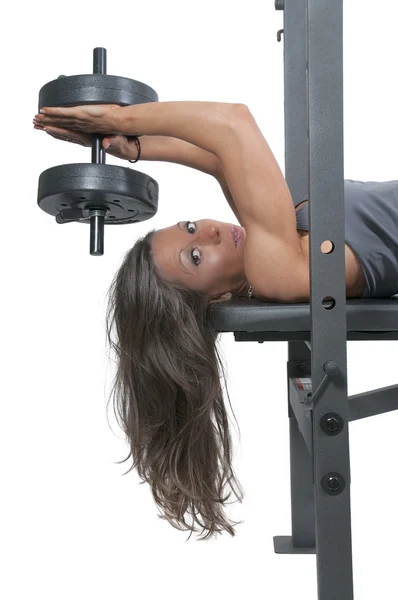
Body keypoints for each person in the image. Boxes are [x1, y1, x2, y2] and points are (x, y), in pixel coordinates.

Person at [33, 101, 398, 539]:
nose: (209, 232)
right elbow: (232, 123)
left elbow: (218, 159)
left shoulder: (270, 238)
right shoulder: (274, 270)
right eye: (196, 256)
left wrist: (130, 146)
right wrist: (119, 116)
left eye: (189, 226)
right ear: (217, 297)